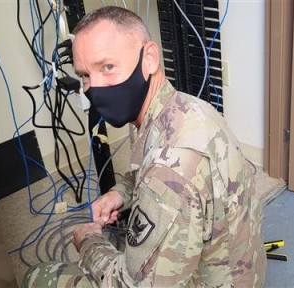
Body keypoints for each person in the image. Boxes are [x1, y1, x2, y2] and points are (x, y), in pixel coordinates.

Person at [22, 6, 266, 287]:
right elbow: (151, 173)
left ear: (149, 58)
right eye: (85, 75)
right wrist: (120, 194)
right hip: (239, 270)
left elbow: (129, 285)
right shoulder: (185, 110)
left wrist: (88, 241)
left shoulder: (169, 170)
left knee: (39, 278)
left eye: (108, 67)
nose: (94, 88)